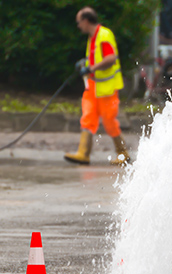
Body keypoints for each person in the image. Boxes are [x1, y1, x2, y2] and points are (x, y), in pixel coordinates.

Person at [65, 7, 130, 166]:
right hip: (93, 88)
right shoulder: (92, 37)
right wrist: (85, 64)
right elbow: (96, 59)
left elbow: (110, 58)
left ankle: (123, 154)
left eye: (79, 22)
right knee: (87, 118)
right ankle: (83, 154)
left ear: (86, 21)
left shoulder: (103, 35)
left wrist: (91, 68)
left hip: (107, 89)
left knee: (109, 122)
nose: (78, 25)